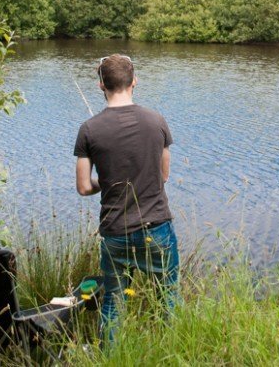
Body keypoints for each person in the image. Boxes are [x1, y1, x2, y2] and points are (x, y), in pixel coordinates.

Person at [73, 54, 179, 342]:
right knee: (167, 298)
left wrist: (105, 183)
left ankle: (110, 355)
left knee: (113, 302)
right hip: (157, 227)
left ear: (100, 86)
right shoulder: (157, 121)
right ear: (134, 82)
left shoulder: (89, 129)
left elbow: (84, 187)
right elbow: (164, 175)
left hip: (115, 232)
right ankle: (171, 351)